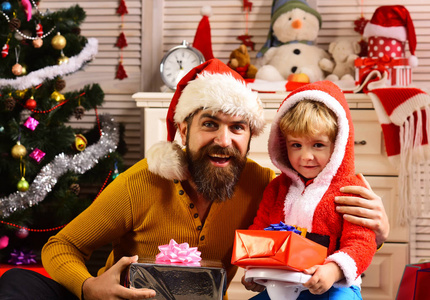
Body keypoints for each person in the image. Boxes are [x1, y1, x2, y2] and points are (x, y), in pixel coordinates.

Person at [0, 59, 389, 300]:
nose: (224, 140)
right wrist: (89, 288)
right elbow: (60, 246)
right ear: (183, 129)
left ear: (251, 135)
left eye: (237, 126)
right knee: (18, 283)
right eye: (209, 124)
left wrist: (378, 231)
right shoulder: (142, 182)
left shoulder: (265, 186)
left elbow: (320, 233)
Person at [244, 81, 377, 299]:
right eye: (296, 145)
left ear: (338, 144)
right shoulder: (277, 188)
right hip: (281, 284)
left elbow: (361, 243)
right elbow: (260, 231)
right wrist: (255, 269)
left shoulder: (351, 190)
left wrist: (333, 270)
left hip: (335, 287)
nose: (306, 156)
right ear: (282, 145)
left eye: (318, 145)